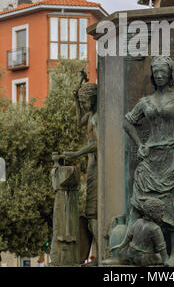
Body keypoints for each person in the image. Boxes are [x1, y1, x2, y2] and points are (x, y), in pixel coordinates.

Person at [123, 56, 174, 266]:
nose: (159, 75)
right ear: (152, 74)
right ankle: (127, 250)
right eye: (156, 72)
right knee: (137, 203)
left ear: (170, 74)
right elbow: (128, 122)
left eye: (163, 72)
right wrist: (139, 144)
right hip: (150, 159)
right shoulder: (145, 102)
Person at [63, 75, 98, 266]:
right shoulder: (91, 116)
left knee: (92, 213)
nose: (84, 106)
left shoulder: (98, 118)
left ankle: (101, 255)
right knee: (90, 213)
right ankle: (100, 255)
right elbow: (79, 122)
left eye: (86, 101)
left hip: (96, 166)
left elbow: (97, 144)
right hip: (91, 166)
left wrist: (76, 153)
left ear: (94, 99)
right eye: (83, 102)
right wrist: (76, 99)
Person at [110, 198, 169, 266]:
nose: (162, 214)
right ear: (151, 213)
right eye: (160, 211)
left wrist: (121, 245)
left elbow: (129, 236)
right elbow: (161, 247)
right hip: (144, 259)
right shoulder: (155, 228)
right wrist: (166, 260)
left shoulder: (138, 222)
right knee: (159, 257)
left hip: (130, 255)